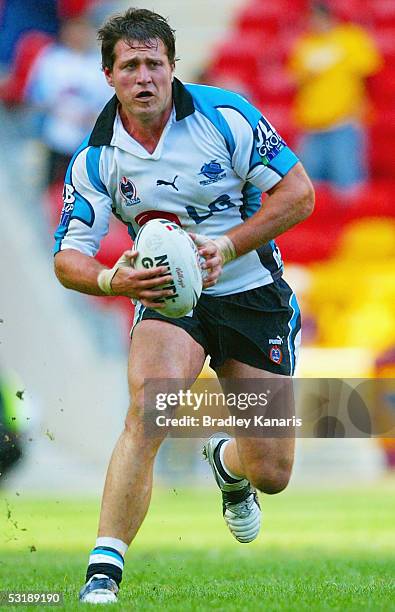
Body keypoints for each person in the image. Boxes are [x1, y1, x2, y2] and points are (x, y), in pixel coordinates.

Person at [53, 8, 314, 604]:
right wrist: (111, 283)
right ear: (108, 74)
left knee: (271, 473)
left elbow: (298, 194)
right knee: (150, 411)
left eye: (154, 64)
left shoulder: (225, 117)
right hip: (170, 301)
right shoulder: (96, 159)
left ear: (173, 69)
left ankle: (229, 460)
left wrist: (225, 245)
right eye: (129, 66)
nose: (143, 77)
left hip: (251, 293)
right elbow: (69, 258)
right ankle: (103, 572)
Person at [287, 1, 381, 199]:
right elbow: (294, 78)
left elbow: (370, 73)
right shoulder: (305, 45)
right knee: (307, 189)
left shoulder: (350, 39)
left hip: (343, 123)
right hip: (312, 124)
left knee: (348, 188)